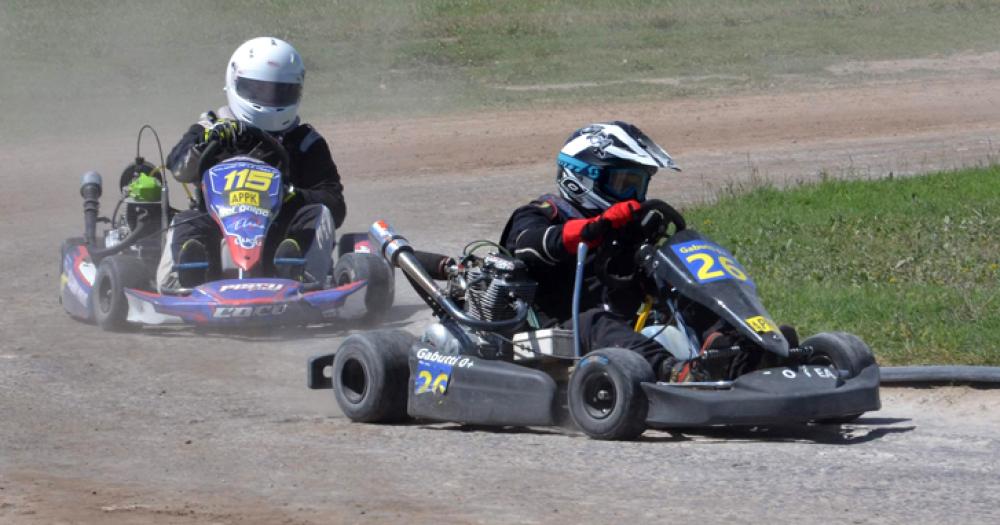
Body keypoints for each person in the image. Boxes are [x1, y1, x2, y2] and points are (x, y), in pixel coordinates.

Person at [156, 37, 346, 291]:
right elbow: (178, 168)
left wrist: (291, 195)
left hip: (279, 235)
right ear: (234, 83)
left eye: (280, 92)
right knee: (188, 219)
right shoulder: (210, 128)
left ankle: (299, 276)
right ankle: (187, 277)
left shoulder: (303, 142)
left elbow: (334, 203)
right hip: (216, 228)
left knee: (318, 214)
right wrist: (205, 143)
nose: (269, 100)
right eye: (259, 91)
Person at [499, 121, 683, 378]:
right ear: (581, 178)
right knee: (597, 322)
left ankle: (736, 354)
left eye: (637, 185)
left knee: (688, 300)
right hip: (562, 332)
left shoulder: (624, 227)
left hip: (623, 329)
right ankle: (674, 373)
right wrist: (593, 229)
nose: (631, 194)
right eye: (623, 183)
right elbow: (526, 245)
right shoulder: (542, 213)